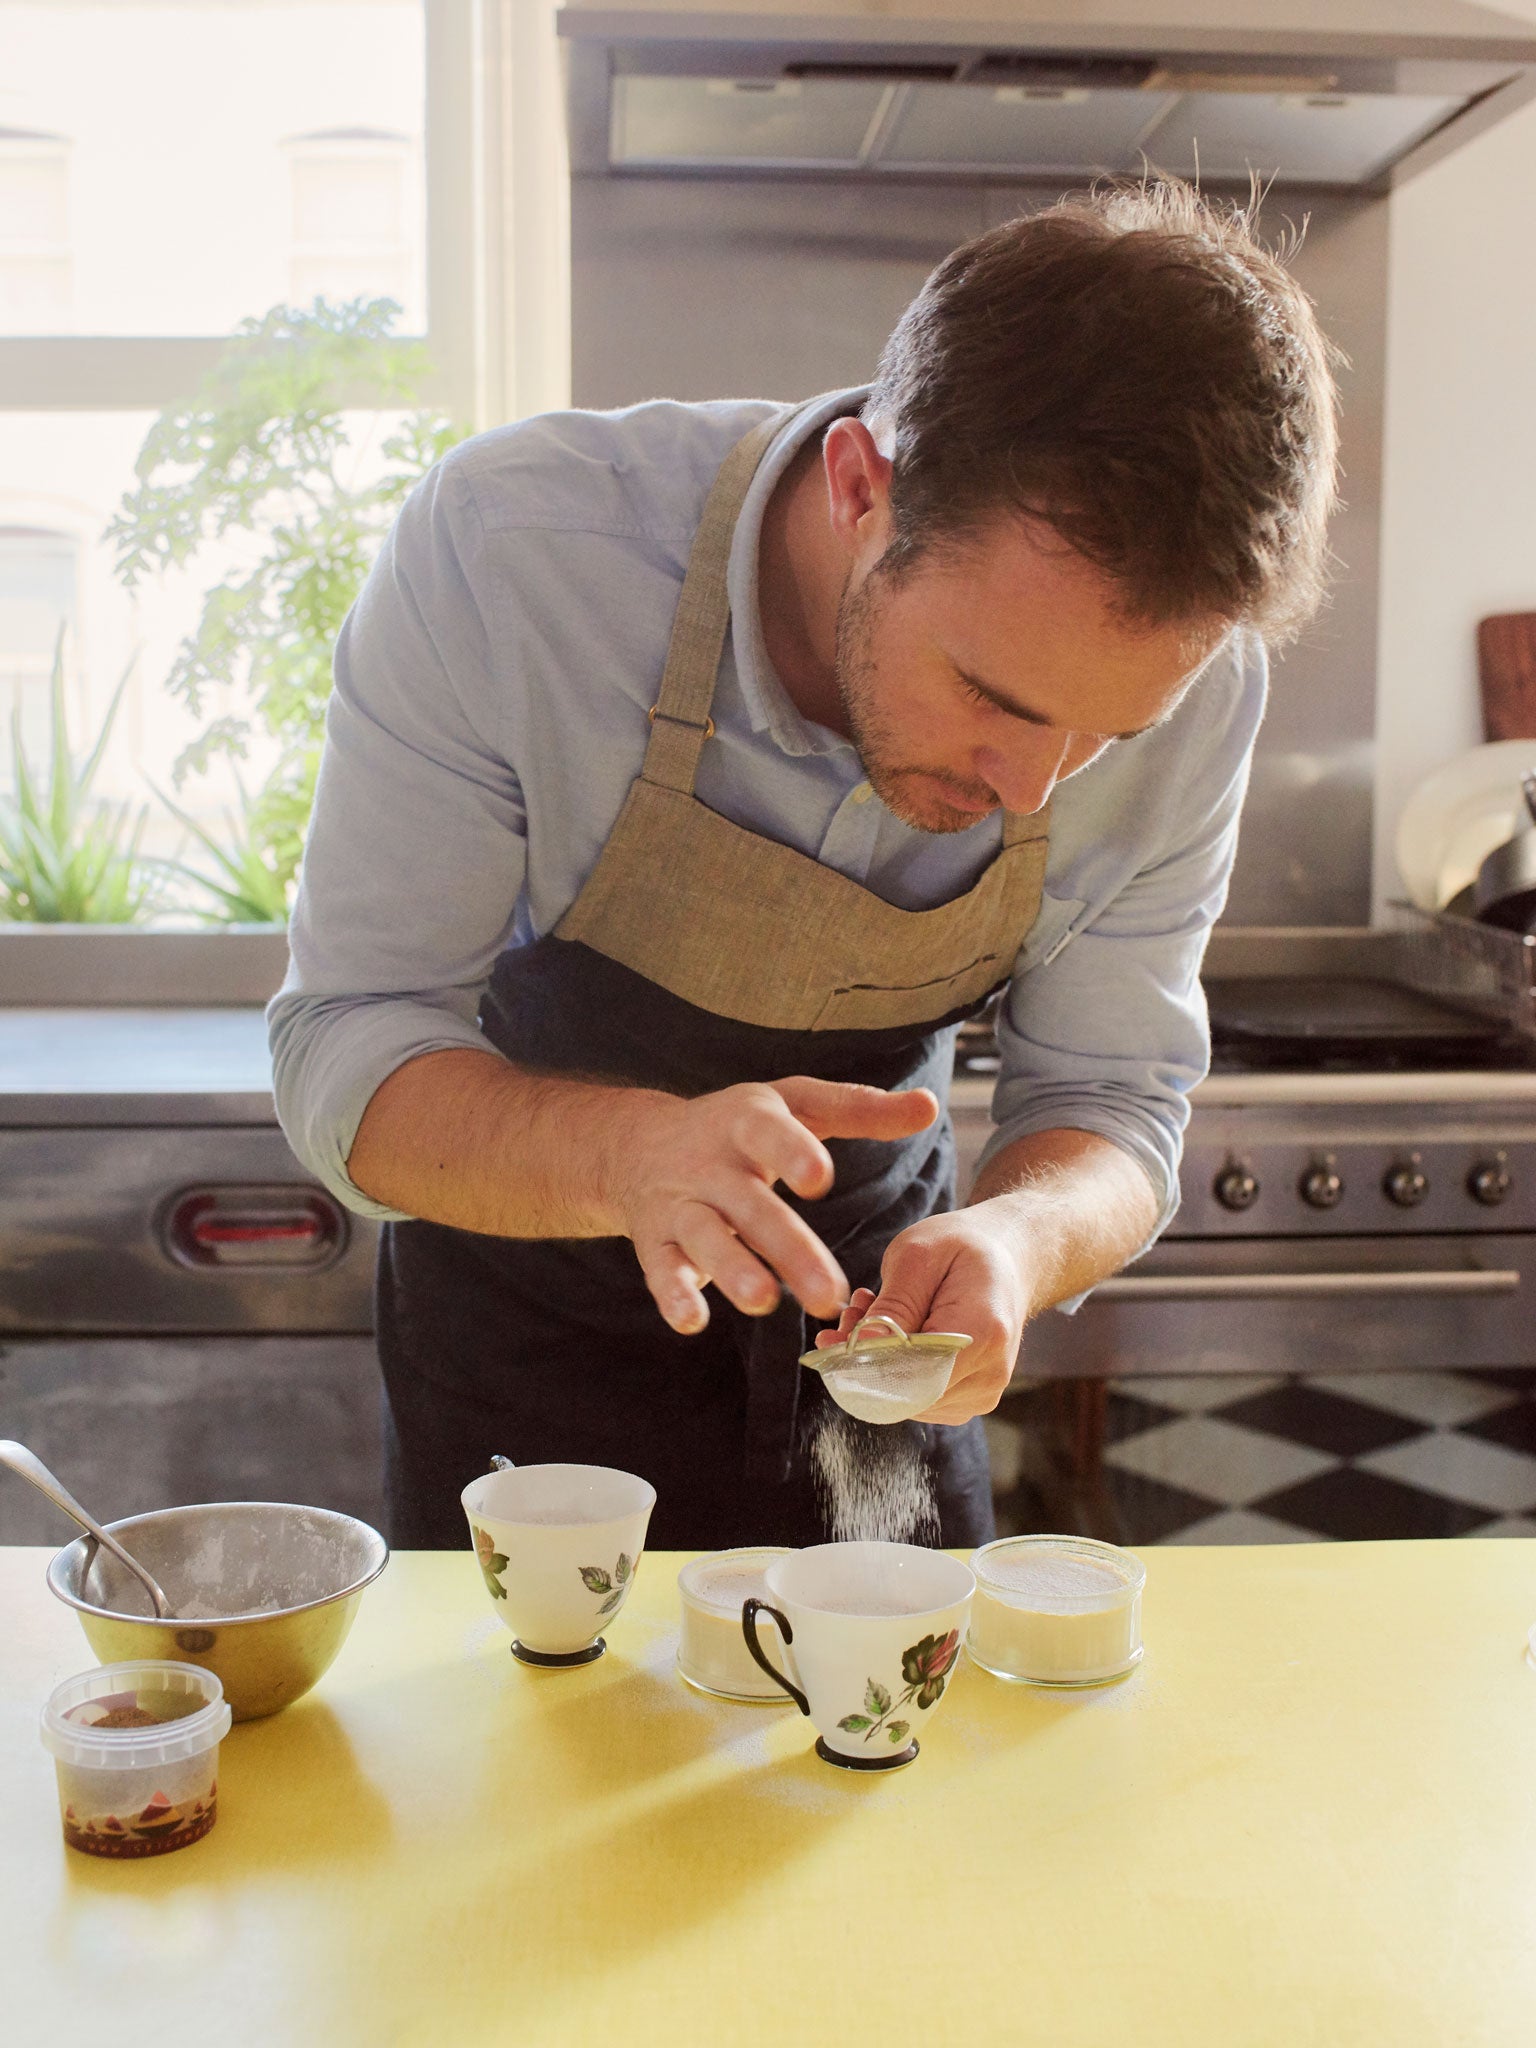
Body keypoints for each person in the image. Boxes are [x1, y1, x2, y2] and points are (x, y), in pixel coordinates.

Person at [269, 178, 1339, 1551]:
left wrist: (1018, 1241)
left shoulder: (1203, 688)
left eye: (1107, 734)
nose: (1033, 788)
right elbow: (346, 1046)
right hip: (526, 1367)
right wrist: (628, 1154)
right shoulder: (514, 556)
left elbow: (1117, 1103)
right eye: (1000, 699)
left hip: (872, 1364)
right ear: (859, 488)